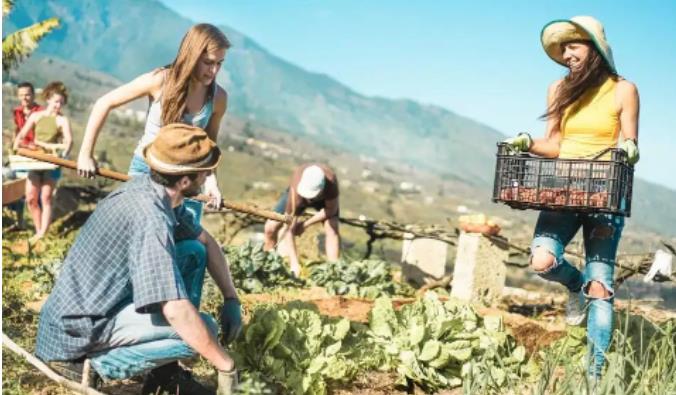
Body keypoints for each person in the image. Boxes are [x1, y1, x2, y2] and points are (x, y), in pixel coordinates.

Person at [35, 124, 241, 395]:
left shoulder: (155, 191)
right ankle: (92, 366)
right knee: (203, 333)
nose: (207, 176)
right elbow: (176, 310)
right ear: (184, 181)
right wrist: (225, 365)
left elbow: (206, 241)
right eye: (204, 172)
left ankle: (164, 370)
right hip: (76, 334)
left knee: (193, 251)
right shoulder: (150, 217)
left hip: (98, 307)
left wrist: (230, 297)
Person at [503, 16, 640, 379]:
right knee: (542, 261)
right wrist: (528, 142)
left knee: (601, 287)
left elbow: (629, 143)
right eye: (562, 48)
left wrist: (628, 149)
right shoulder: (558, 89)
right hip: (562, 190)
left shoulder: (623, 89)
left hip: (602, 196)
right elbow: (555, 144)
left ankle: (594, 378)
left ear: (594, 48)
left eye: (573, 45)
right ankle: (574, 284)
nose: (566, 54)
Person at [77, 23, 230, 211]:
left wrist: (211, 182)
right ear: (192, 56)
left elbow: (209, 146)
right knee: (142, 234)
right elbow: (104, 103)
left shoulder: (218, 97)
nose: (214, 71)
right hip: (147, 171)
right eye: (208, 62)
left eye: (219, 64)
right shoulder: (160, 80)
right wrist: (85, 154)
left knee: (186, 239)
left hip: (188, 182)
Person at [13, 81, 73, 242]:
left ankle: (41, 234)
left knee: (46, 197)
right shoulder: (36, 116)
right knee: (31, 197)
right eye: (55, 101)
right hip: (35, 160)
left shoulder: (62, 120)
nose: (58, 105)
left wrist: (64, 153)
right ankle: (39, 231)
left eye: (61, 102)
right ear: (48, 99)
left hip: (52, 162)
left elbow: (68, 141)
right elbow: (22, 134)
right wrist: (16, 145)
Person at [263, 164, 340, 276]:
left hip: (324, 201)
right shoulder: (296, 191)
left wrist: (305, 224)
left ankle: (334, 271)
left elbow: (331, 210)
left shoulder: (330, 182)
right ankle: (268, 262)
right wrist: (295, 264)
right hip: (299, 197)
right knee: (270, 227)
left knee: (332, 227)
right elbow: (288, 229)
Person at [8, 81, 44, 230]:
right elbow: (17, 132)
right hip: (21, 154)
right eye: (22, 95)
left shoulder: (41, 112)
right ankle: (20, 222)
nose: (25, 98)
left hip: (38, 155)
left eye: (28, 94)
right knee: (14, 187)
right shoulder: (17, 112)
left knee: (35, 194)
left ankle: (41, 227)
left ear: (33, 95)